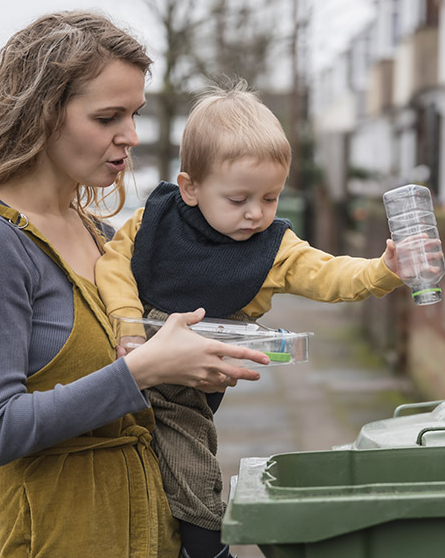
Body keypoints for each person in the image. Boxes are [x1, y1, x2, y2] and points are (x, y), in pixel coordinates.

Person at [0, 12, 269, 558]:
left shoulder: (103, 235)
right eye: (108, 116)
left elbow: (144, 409)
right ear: (40, 115)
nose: (129, 136)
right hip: (61, 538)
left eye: (134, 114)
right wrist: (145, 368)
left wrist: (198, 369)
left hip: (151, 532)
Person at [95, 80, 404, 558]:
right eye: (239, 200)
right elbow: (113, 264)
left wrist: (384, 272)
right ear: (190, 187)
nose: (256, 214)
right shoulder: (153, 218)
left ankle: (205, 546)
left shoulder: (274, 248)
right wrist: (128, 322)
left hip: (185, 391)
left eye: (271, 198)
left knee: (193, 465)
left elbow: (329, 274)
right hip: (129, 356)